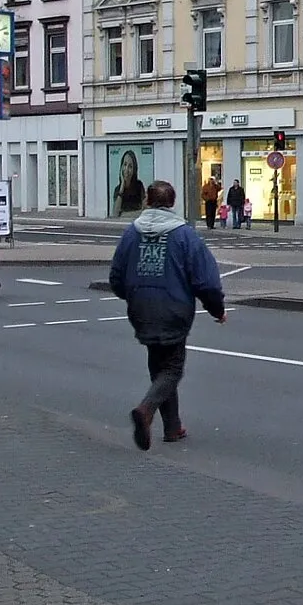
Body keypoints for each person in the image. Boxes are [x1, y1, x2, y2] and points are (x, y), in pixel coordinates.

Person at [110, 180, 225, 450]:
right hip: (174, 309)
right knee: (172, 369)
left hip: (141, 308)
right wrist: (217, 309)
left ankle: (173, 428)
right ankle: (146, 410)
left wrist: (134, 295)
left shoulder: (131, 233)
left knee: (158, 365)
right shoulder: (184, 236)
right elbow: (205, 280)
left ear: (147, 202)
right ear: (173, 203)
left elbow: (116, 276)